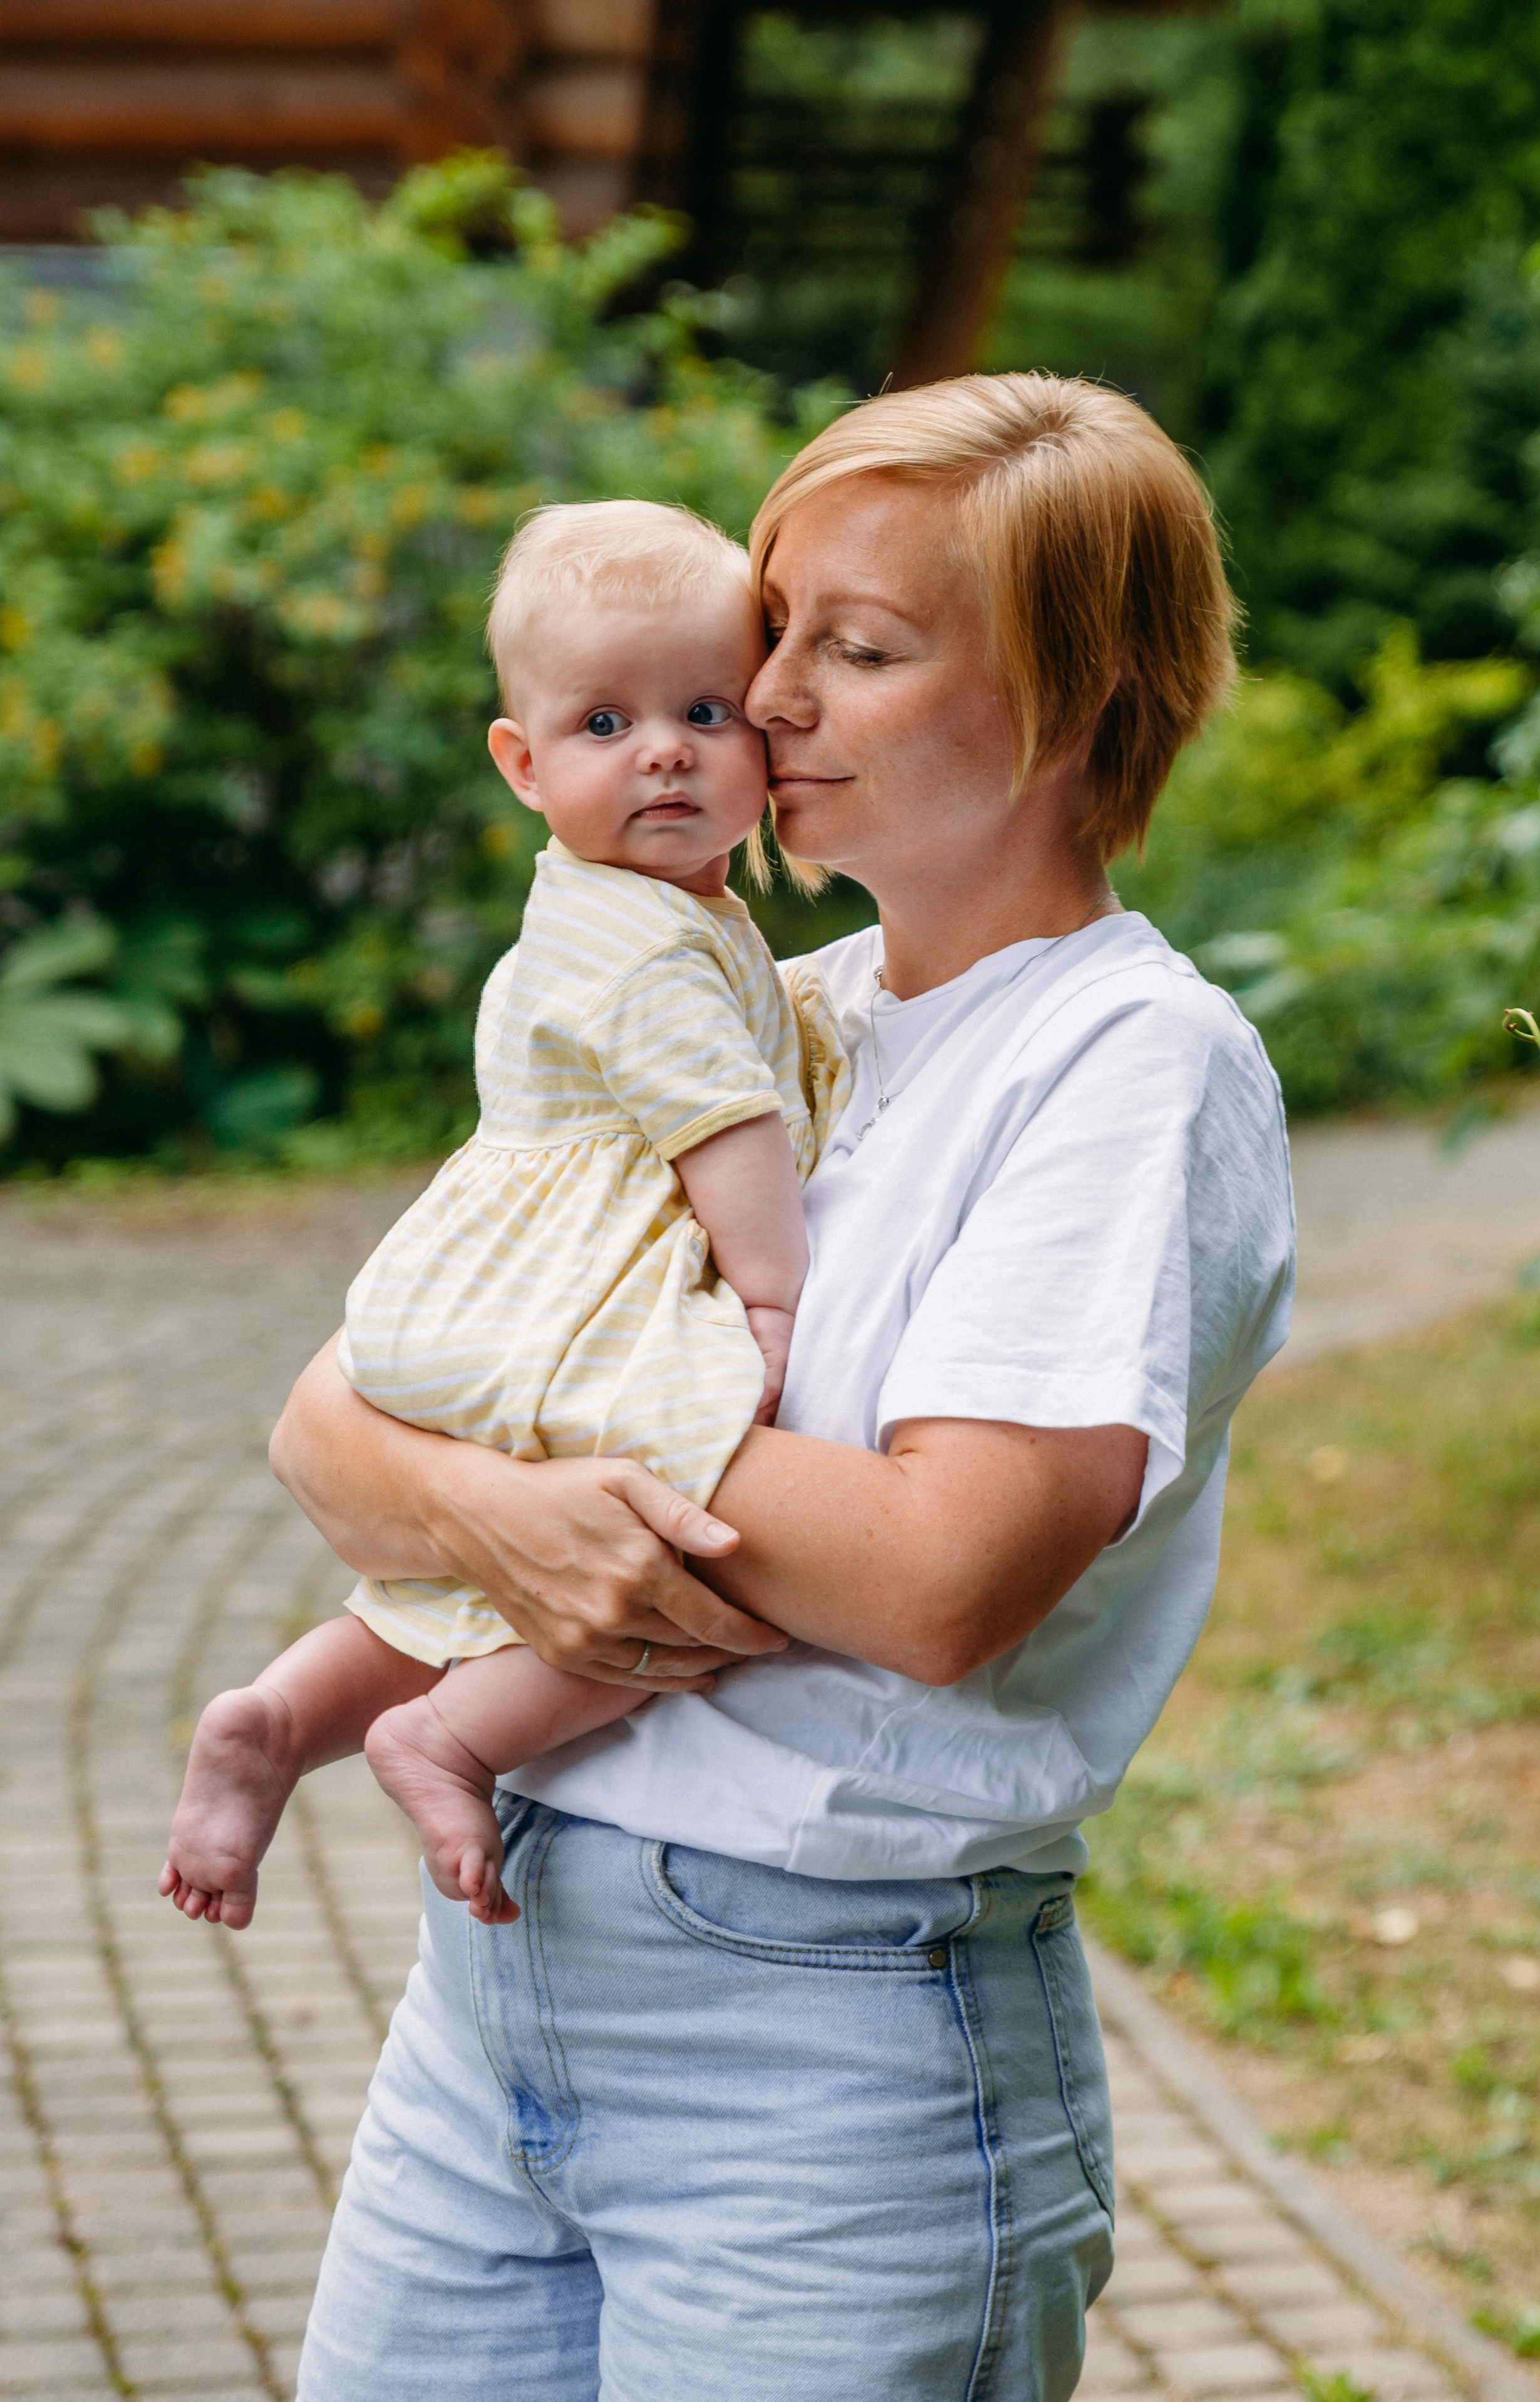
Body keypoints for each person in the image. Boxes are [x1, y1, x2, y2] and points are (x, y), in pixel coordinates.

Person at [271, 373, 1296, 2402]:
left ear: (1087, 705)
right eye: (778, 631)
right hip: (492, 1999)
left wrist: (518, 1464)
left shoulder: (1128, 1067)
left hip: (825, 2060)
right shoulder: (751, 992)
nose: (771, 696)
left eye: (862, 646)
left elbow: (936, 1575)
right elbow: (326, 1418)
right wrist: (503, 1512)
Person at [158, 500, 849, 1934]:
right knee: (670, 1536)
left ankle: (282, 1714)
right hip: (584, 1291)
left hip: (509, 1272)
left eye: (705, 708)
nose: (663, 747)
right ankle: (450, 1737)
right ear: (522, 765)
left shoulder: (621, 903)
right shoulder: (649, 941)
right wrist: (771, 1296)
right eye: (606, 722)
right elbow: (724, 1137)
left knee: (478, 1578)